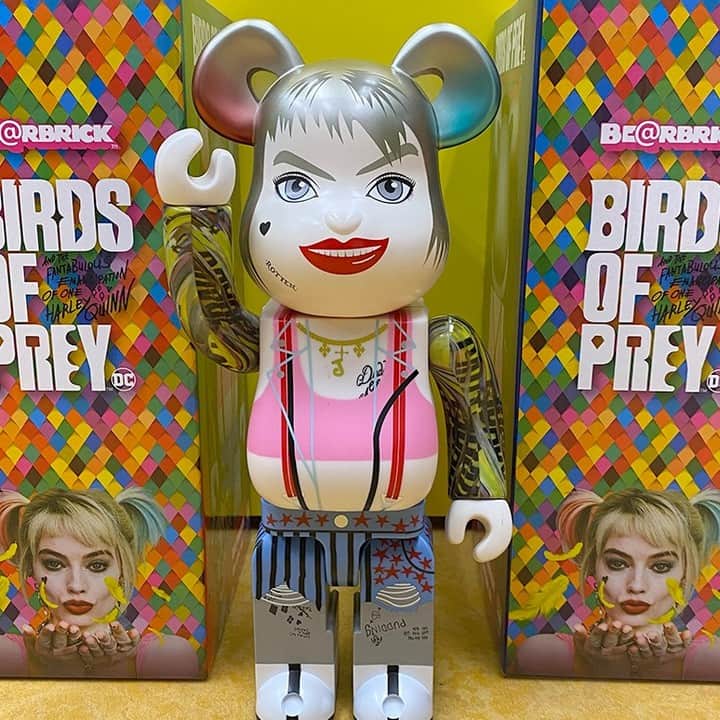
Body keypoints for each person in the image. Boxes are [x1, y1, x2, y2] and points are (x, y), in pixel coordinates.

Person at [156, 19, 512, 720]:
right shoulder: (273, 330)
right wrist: (194, 218)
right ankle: (295, 677)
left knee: (396, 603)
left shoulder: (431, 337)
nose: (344, 218)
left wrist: (480, 493)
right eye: (296, 185)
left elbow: (472, 409)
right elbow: (214, 332)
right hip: (289, 519)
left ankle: (393, 678)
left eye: (389, 187)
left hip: (398, 524)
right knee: (291, 599)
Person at [514, 486, 720, 680]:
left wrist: (669, 673)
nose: (636, 585)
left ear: (685, 574)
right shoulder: (543, 657)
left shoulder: (712, 662)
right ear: (593, 567)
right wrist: (589, 671)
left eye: (660, 566)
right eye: (617, 564)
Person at [0, 486, 199, 678]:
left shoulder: (169, 657)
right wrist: (43, 672)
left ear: (122, 570)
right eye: (54, 564)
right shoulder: (5, 657)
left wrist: (120, 672)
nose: (76, 585)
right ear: (31, 569)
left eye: (97, 565)